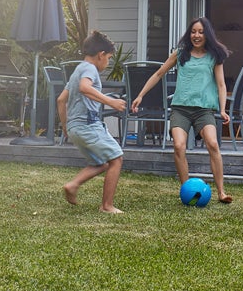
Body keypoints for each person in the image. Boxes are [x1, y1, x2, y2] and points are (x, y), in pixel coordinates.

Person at [131, 17, 233, 203]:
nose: (196, 35)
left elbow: (221, 84)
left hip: (204, 110)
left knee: (213, 144)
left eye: (201, 32)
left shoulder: (214, 56)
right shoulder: (180, 54)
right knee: (178, 146)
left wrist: (223, 109)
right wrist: (140, 95)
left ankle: (221, 192)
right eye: (193, 32)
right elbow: (159, 73)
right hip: (180, 109)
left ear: (207, 34)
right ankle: (187, 191)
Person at [57, 31, 128, 214]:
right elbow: (84, 88)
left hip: (75, 128)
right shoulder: (90, 69)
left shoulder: (78, 70)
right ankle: (107, 206)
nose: (108, 62)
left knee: (100, 163)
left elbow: (61, 100)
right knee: (116, 158)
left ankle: (73, 184)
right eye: (109, 58)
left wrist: (65, 126)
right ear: (101, 55)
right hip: (88, 125)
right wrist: (110, 101)